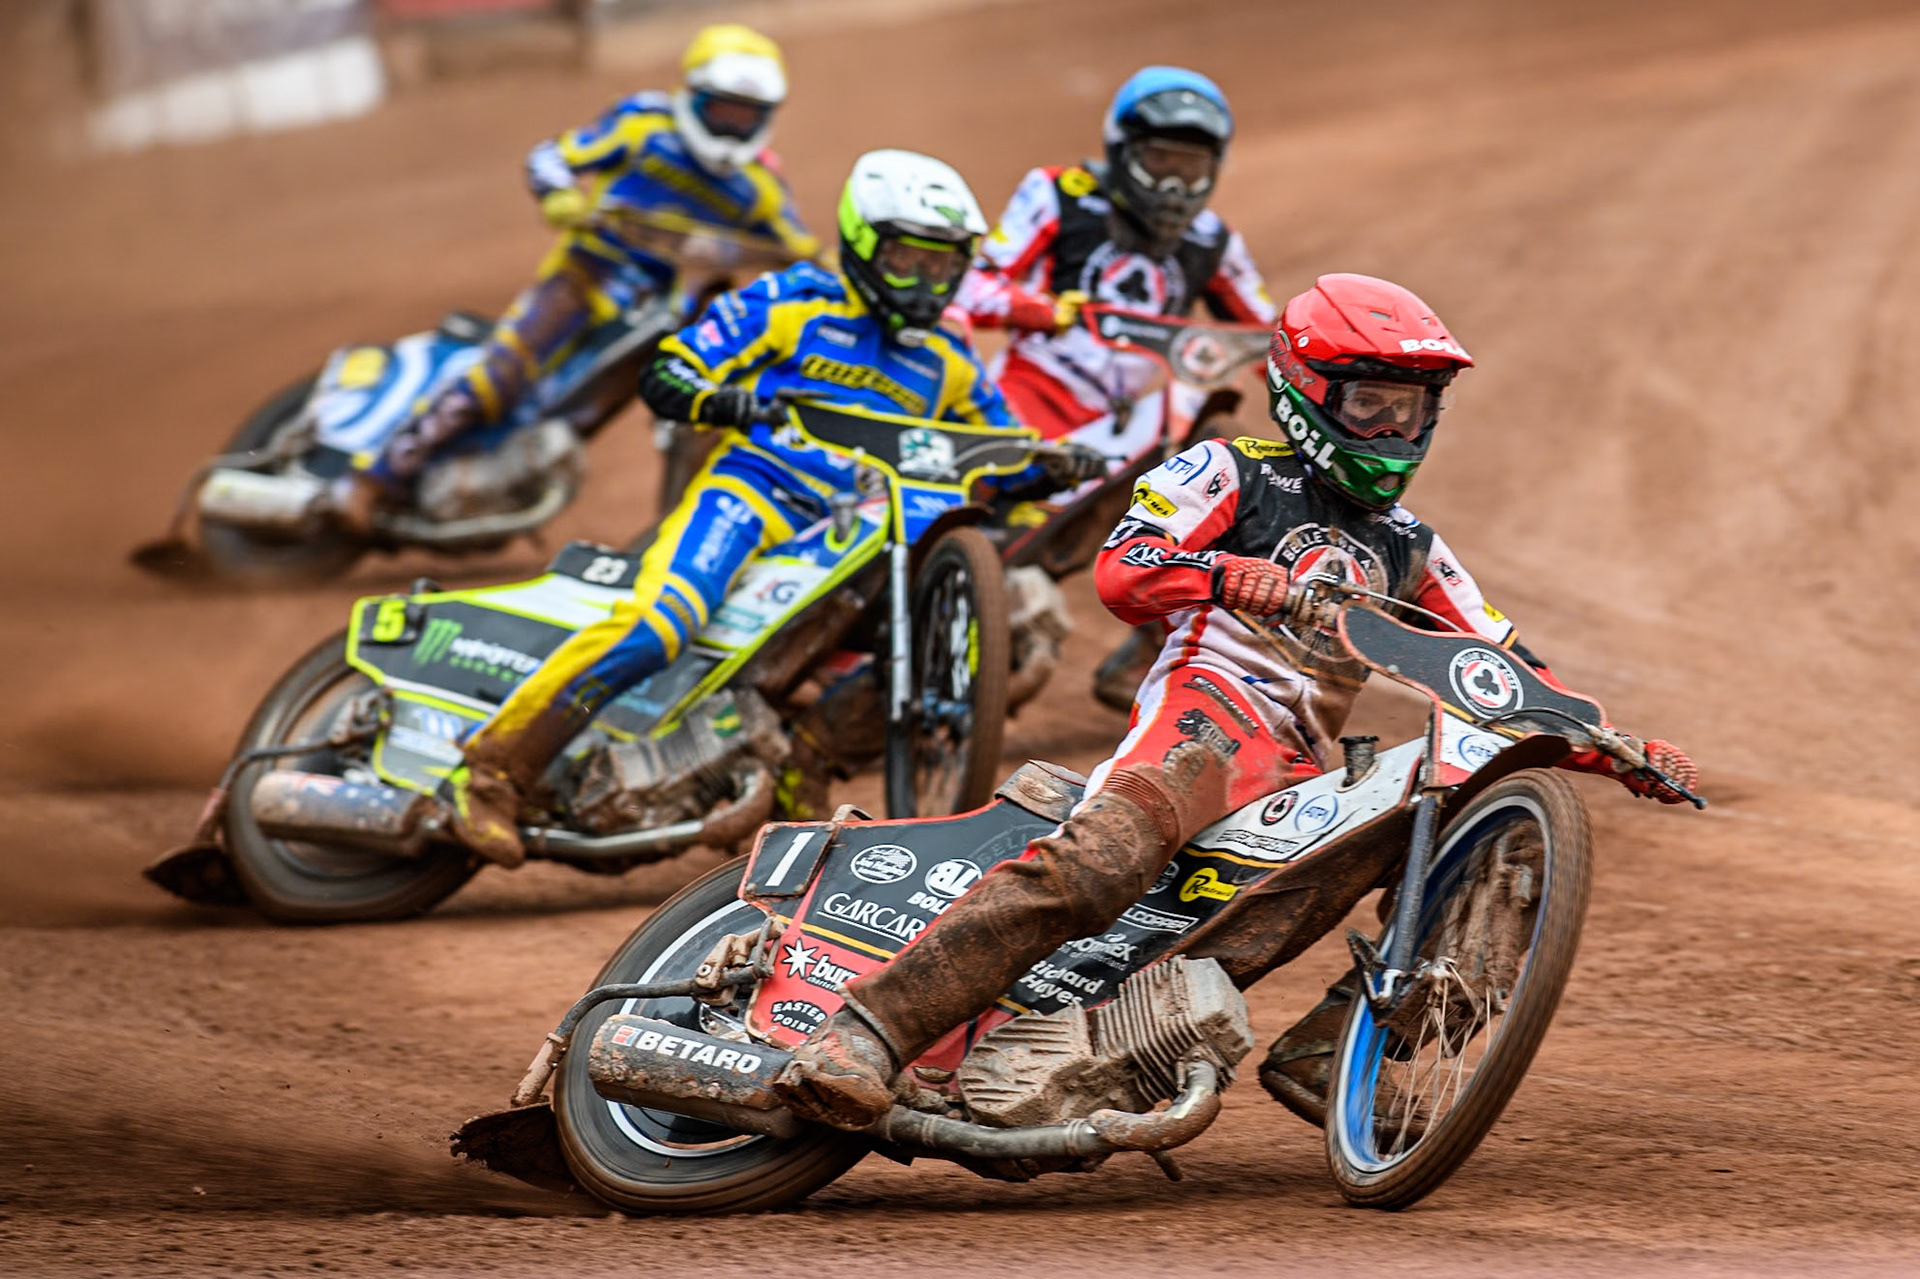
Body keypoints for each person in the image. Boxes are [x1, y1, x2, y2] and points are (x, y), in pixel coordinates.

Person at [773, 273, 1700, 1130]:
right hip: (1203, 723)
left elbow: (1501, 667)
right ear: (1306, 393)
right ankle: (867, 1033)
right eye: (1369, 405)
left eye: (1410, 409)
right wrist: (1224, 574)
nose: (1390, 430)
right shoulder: (1231, 469)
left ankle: (1332, 1050)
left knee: (1480, 837)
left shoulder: (1413, 544)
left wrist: (1613, 743)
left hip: (1302, 772)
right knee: (1097, 865)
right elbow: (1123, 568)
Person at [440, 149, 1100, 868]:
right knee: (661, 625)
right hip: (753, 493)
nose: (926, 283)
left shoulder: (950, 358)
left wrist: (1051, 465)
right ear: (863, 242)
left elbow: (1001, 451)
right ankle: (493, 770)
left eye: (944, 266)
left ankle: (803, 761)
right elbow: (672, 369)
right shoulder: (793, 301)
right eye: (910, 260)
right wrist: (722, 399)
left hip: (857, 534)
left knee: (955, 630)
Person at [333, 23, 817, 527]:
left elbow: (802, 250)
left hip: (661, 315)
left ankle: (643, 520)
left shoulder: (759, 187)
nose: (733, 126)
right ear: (693, 96)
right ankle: (373, 479)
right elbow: (552, 156)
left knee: (634, 405)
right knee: (503, 375)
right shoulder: (643, 127)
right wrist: (560, 194)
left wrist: (825, 270)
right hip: (587, 275)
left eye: (747, 115)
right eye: (723, 110)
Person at [957, 65, 1278, 712]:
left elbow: (1269, 337)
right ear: (1122, 150)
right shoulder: (1059, 194)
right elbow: (969, 283)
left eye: (1190, 168)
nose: (1174, 186)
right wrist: (1043, 311)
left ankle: (1160, 652)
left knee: (1220, 455)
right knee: (956, 511)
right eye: (1160, 162)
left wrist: (1318, 387)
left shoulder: (1212, 240)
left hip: (1138, 426)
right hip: (1034, 401)